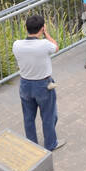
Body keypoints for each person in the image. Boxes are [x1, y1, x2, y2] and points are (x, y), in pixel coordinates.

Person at [12, 13, 63, 151]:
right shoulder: (44, 44)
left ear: (26, 28)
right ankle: (51, 144)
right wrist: (47, 34)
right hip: (43, 84)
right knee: (48, 115)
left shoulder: (16, 45)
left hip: (25, 84)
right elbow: (56, 47)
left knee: (28, 117)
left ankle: (32, 145)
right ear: (42, 28)